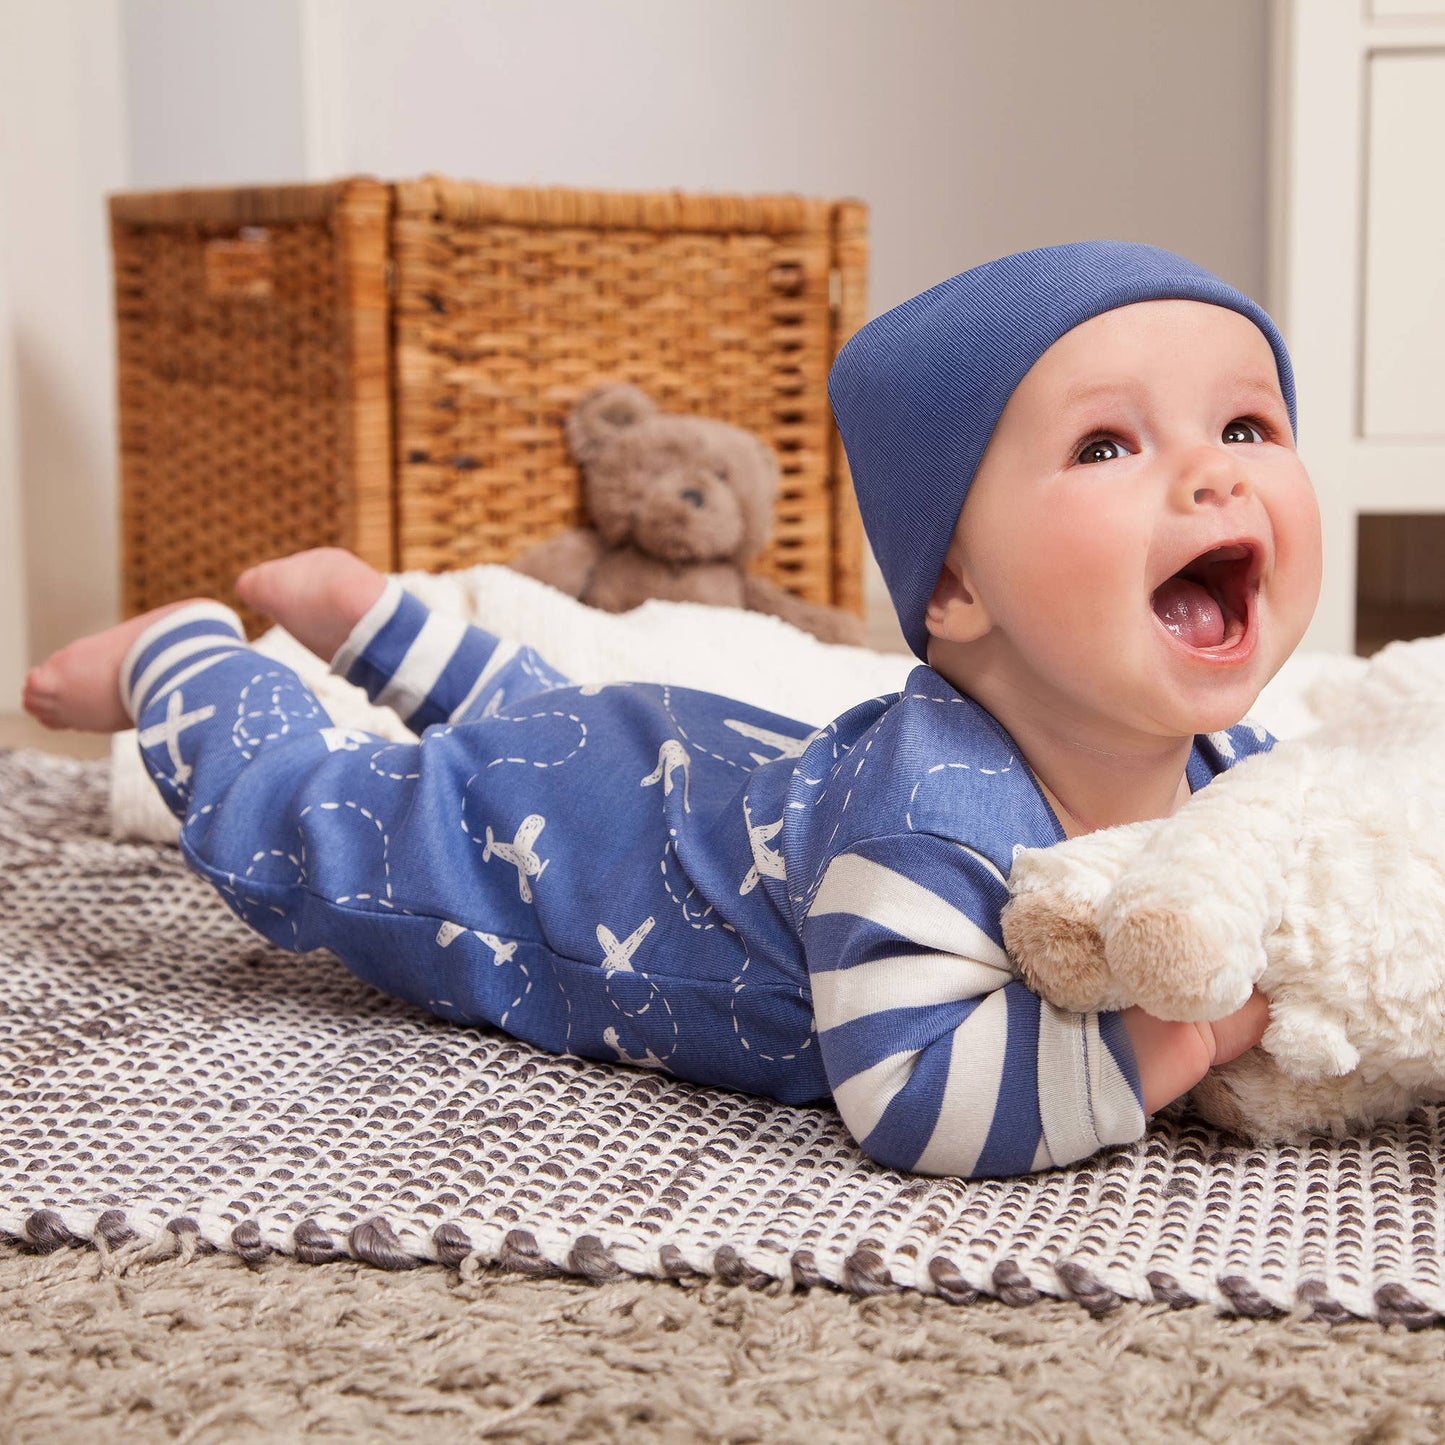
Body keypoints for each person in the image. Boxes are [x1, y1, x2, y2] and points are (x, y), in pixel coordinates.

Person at [24, 241, 1322, 1179]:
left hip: (695, 757)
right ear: (957, 582)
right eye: (1108, 444)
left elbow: (1323, 866)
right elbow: (919, 1095)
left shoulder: (1232, 763)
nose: (1217, 474)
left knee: (564, 712)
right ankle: (190, 662)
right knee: (336, 820)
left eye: (1250, 425)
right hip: (558, 870)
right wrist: (1200, 1032)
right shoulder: (934, 821)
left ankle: (371, 619)